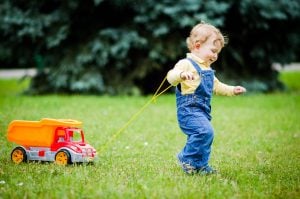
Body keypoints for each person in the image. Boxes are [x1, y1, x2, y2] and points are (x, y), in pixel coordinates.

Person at [167, 22, 246, 175]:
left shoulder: (207, 69)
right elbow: (170, 77)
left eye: (218, 53)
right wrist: (181, 75)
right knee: (205, 132)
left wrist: (232, 90)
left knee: (206, 135)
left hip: (202, 111)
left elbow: (216, 86)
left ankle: (201, 165)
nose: (215, 56)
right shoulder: (186, 64)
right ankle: (187, 159)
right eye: (213, 51)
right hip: (188, 110)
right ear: (197, 46)